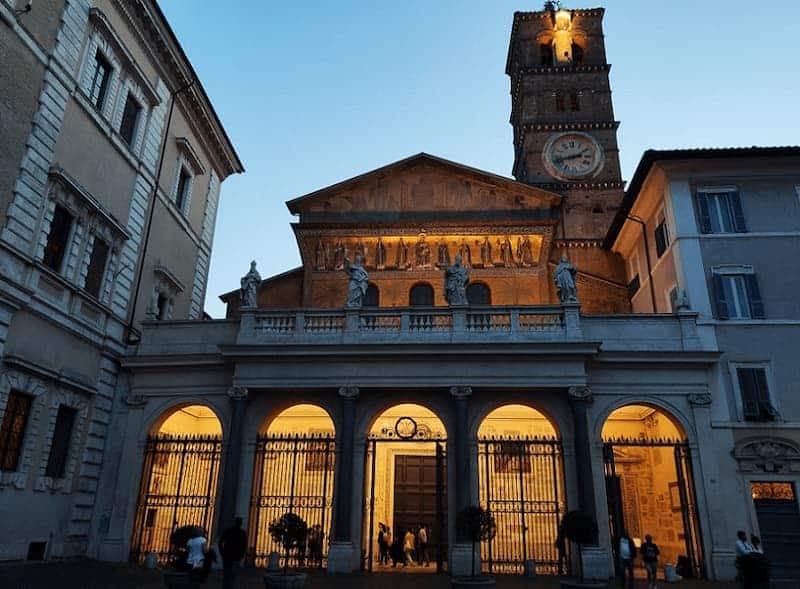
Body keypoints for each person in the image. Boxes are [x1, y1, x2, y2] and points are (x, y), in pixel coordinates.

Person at [219, 517, 247, 589]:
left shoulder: (229, 531)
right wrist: (242, 554)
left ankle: (226, 587)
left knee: (227, 574)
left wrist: (222, 552)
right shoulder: (242, 533)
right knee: (232, 574)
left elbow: (220, 542)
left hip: (228, 555)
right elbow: (244, 545)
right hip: (235, 556)